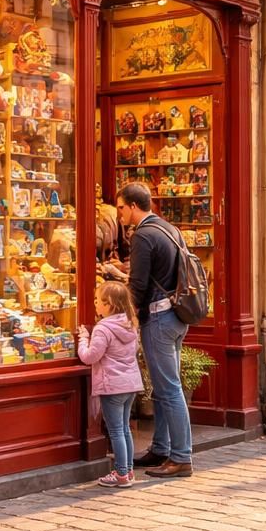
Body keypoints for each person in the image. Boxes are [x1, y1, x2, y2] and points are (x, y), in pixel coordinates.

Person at [118, 182, 195, 478]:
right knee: (166, 388)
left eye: (122, 208)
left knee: (169, 389)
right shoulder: (168, 229)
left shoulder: (143, 236)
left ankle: (181, 457)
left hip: (159, 319)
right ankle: (162, 448)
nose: (120, 214)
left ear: (134, 206)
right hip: (176, 317)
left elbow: (138, 285)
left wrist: (129, 319)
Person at [77, 281, 144, 487]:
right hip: (130, 384)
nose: (95, 305)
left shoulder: (103, 328)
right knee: (124, 429)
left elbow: (89, 357)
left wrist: (83, 339)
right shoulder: (130, 324)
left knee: (116, 430)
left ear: (109, 304)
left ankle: (121, 474)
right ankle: (129, 471)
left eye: (97, 301)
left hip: (112, 386)